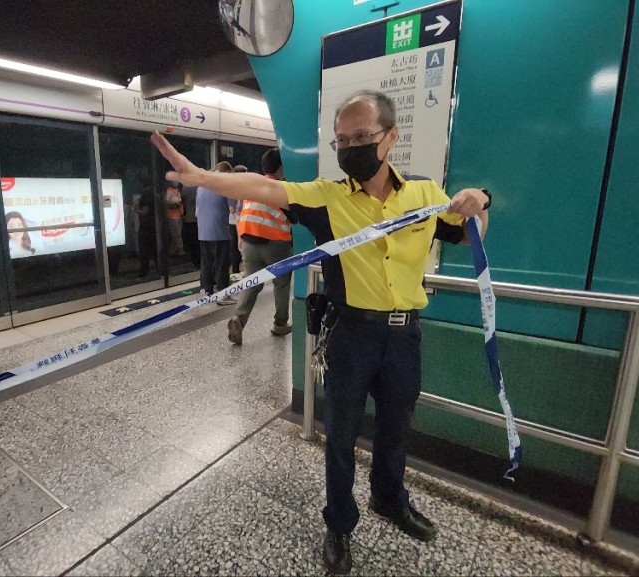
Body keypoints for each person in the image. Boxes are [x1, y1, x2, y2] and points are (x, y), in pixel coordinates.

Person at [152, 89, 490, 575]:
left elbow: (470, 231)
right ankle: (339, 524)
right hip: (350, 335)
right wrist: (202, 177)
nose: (350, 146)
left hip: (403, 336)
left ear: (390, 137)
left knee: (396, 428)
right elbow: (265, 188)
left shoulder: (425, 196)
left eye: (361, 136)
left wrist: (481, 203)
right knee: (341, 435)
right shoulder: (327, 199)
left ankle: (390, 500)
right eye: (341, 140)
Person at [226, 149, 294, 345]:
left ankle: (238, 319)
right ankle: (280, 324)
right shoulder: (281, 187)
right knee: (281, 283)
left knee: (251, 284)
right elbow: (294, 217)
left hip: (248, 243)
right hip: (274, 243)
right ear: (281, 167)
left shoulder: (253, 186)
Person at [195, 162, 237, 304]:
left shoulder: (201, 186)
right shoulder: (225, 186)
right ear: (227, 173)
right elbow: (232, 209)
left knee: (206, 261)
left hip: (203, 231)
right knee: (222, 263)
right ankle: (223, 294)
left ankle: (206, 289)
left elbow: (196, 212)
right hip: (219, 231)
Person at [227, 165, 246, 278]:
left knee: (235, 246)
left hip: (233, 221)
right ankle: (235, 270)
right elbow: (233, 208)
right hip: (237, 221)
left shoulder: (233, 187)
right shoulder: (236, 188)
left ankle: (236, 270)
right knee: (237, 246)